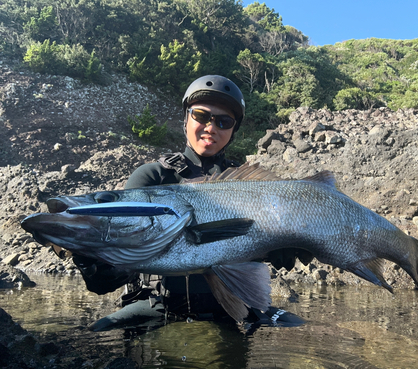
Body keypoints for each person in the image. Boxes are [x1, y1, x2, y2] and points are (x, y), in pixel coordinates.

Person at [73, 75, 303, 331]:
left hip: (229, 309)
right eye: (201, 115)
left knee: (301, 327)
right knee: (95, 332)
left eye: (224, 121)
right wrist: (87, 254)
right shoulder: (153, 177)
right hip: (160, 305)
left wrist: (280, 248)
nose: (210, 127)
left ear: (233, 131)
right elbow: (103, 283)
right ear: (186, 119)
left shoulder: (250, 186)